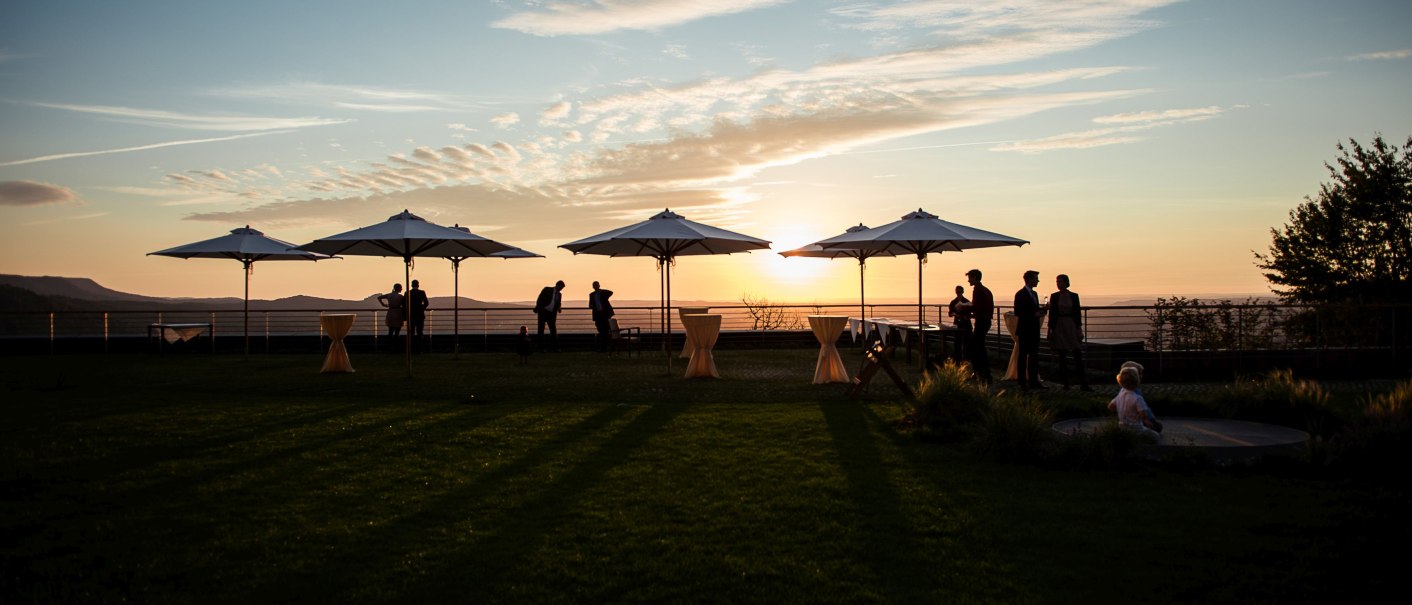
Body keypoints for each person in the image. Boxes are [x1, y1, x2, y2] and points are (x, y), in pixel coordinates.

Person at [1047, 274, 1091, 391]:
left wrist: (1079, 328)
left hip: (1071, 325)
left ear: (1066, 283)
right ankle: (1066, 383)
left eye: (1060, 281)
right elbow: (1052, 314)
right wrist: (1050, 329)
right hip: (1059, 326)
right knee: (1062, 355)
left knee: (1077, 354)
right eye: (1057, 281)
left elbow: (1077, 313)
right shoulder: (1054, 296)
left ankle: (1083, 383)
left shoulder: (1074, 296)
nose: (1058, 284)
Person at [957, 269, 993, 385]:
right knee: (978, 347)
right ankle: (983, 373)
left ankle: (981, 373)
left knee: (975, 348)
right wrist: (973, 315)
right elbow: (985, 308)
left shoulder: (977, 290)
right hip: (985, 321)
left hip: (981, 323)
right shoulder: (986, 290)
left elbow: (976, 307)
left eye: (970, 278)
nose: (968, 281)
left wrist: (963, 307)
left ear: (975, 278)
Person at [1108, 366, 1163, 440]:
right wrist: (1149, 424)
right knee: (1156, 437)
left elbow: (1110, 407)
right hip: (1137, 430)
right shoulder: (1137, 398)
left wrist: (1121, 410)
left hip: (1122, 429)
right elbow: (1144, 417)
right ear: (1137, 380)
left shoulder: (1119, 396)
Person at [1013, 269, 1046, 390]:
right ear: (1030, 279)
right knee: (1022, 355)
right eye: (1036, 278)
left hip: (1034, 329)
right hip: (1025, 329)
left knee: (1034, 356)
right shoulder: (1020, 294)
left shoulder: (1035, 294)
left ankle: (1033, 381)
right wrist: (1034, 315)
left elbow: (1033, 310)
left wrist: (1042, 311)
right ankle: (1021, 382)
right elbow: (1018, 312)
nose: (1038, 281)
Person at [534, 280, 565, 352]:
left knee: (552, 331)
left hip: (551, 313)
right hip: (544, 312)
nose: (561, 289)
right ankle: (541, 348)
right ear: (557, 285)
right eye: (561, 288)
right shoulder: (547, 289)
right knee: (542, 330)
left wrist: (559, 308)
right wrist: (539, 308)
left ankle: (555, 348)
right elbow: (539, 299)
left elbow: (558, 303)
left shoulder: (559, 294)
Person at [588, 281, 615, 352]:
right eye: (594, 285)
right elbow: (590, 304)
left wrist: (601, 291)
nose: (595, 287)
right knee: (602, 331)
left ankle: (604, 347)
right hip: (599, 315)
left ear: (599, 286)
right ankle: (605, 347)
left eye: (596, 285)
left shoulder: (603, 293)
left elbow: (611, 292)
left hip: (605, 314)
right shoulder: (591, 294)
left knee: (605, 331)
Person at [947, 284, 971, 363]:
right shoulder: (954, 302)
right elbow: (950, 313)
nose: (958, 293)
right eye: (957, 292)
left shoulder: (966, 301)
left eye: (959, 292)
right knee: (957, 342)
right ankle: (958, 359)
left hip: (965, 323)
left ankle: (965, 359)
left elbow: (969, 314)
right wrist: (956, 314)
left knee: (966, 343)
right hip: (958, 323)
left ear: (962, 292)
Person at [376, 283, 405, 347]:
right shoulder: (401, 296)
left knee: (390, 330)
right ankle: (396, 346)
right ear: (399, 288)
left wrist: (383, 304)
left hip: (391, 312)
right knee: (397, 331)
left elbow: (379, 297)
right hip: (398, 312)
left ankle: (390, 346)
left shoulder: (389, 295)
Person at [407, 279, 429, 351]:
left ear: (411, 285)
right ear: (418, 285)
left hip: (411, 315)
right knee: (419, 331)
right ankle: (419, 348)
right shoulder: (422, 292)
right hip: (420, 314)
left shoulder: (407, 293)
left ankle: (411, 348)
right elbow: (426, 303)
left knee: (411, 331)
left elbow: (405, 304)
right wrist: (422, 308)